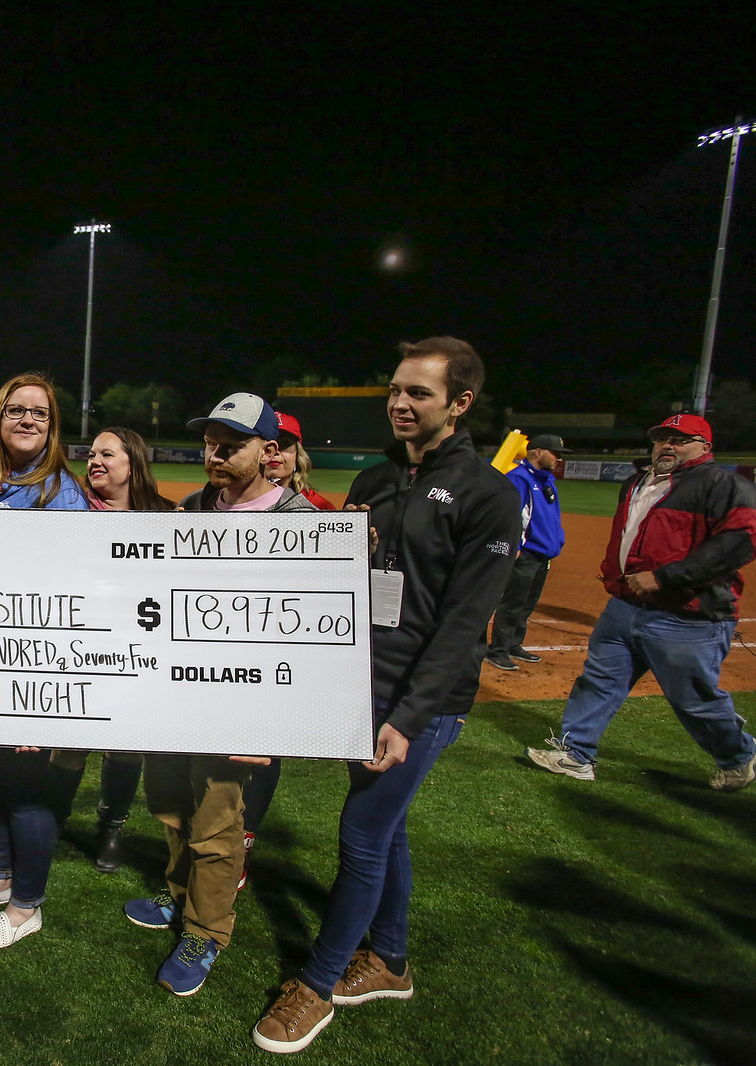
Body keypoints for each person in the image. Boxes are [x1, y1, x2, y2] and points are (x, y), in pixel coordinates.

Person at [252, 338, 519, 1053]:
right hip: (357, 688)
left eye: (419, 394)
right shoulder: (373, 479)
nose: (400, 403)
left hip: (419, 706)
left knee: (363, 835)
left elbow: (465, 626)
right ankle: (391, 961)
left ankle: (318, 983)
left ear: (460, 404)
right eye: (396, 390)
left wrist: (406, 718)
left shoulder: (489, 495)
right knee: (387, 829)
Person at [125, 393, 308, 997]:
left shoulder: (301, 522)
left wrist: (274, 726)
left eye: (233, 444)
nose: (218, 454)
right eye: (211, 442)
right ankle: (179, 895)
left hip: (244, 705)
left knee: (218, 823)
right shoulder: (195, 508)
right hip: (180, 696)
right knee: (173, 805)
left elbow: (313, 638)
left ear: (269, 451)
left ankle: (206, 930)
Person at [525, 413, 756, 789]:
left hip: (687, 615)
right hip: (625, 606)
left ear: (705, 447)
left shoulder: (724, 485)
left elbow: (740, 542)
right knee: (599, 681)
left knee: (694, 701)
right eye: (662, 438)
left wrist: (666, 577)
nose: (668, 445)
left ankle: (737, 753)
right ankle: (576, 754)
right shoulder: (638, 481)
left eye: (680, 439)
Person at [0, 372, 88, 952]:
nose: (28, 421)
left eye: (40, 413)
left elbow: (75, 596)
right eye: (16, 411)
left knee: (26, 788)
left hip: (28, 668)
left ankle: (27, 904)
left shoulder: (62, 493)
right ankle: (2, 877)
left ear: (53, 427)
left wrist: (43, 700)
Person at [63, 427, 174, 874]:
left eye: (107, 454)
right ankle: (53, 816)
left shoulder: (167, 518)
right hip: (78, 645)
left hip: (136, 651)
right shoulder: (72, 511)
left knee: (125, 747)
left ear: (133, 463)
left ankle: (111, 827)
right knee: (67, 742)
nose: (95, 461)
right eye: (91, 454)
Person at [484, 434, 570, 670]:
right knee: (513, 602)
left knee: (528, 603)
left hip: (543, 554)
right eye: (556, 453)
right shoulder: (518, 479)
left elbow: (553, 515)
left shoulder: (547, 481)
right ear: (538, 452)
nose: (560, 459)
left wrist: (557, 541)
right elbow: (511, 516)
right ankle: (498, 649)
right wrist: (516, 546)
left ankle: (513, 644)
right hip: (527, 553)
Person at [266, 412, 336, 510]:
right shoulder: (237, 501)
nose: (275, 451)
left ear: (298, 453)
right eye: (267, 443)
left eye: (285, 443)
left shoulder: (319, 506)